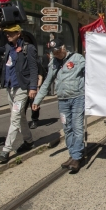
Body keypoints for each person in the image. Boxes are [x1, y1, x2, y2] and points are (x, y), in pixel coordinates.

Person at [0, 24, 39, 164]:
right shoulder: (7, 47)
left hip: (21, 88)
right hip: (9, 87)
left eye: (11, 33)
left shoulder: (28, 48)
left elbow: (33, 68)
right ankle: (29, 141)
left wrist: (33, 87)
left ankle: (6, 150)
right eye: (7, 32)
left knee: (14, 118)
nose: (8, 35)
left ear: (18, 33)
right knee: (19, 117)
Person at [33, 38, 86, 172]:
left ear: (63, 47)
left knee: (77, 127)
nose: (56, 54)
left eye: (57, 51)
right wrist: (37, 100)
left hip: (77, 98)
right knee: (67, 128)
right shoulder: (53, 64)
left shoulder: (77, 58)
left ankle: (76, 156)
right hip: (62, 100)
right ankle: (72, 154)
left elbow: (92, 74)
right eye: (53, 52)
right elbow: (47, 82)